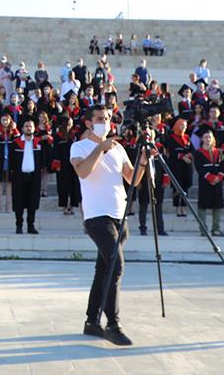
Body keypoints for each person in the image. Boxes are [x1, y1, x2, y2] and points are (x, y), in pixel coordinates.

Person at [71, 104, 152, 347]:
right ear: (88, 123)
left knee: (104, 269)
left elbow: (133, 179)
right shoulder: (80, 146)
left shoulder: (117, 148)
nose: (104, 122)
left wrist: (144, 160)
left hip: (120, 215)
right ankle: (113, 324)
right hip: (97, 216)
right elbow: (83, 172)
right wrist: (99, 149)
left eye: (107, 118)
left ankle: (91, 321)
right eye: (99, 118)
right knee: (115, 266)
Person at [9, 118, 49, 234]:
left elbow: (43, 159)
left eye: (30, 126)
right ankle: (19, 225)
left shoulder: (38, 143)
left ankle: (31, 225)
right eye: (26, 126)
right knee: (18, 201)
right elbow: (11, 160)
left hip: (34, 176)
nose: (28, 128)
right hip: (19, 176)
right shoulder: (15, 143)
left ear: (34, 128)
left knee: (32, 202)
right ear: (22, 128)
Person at [193, 127, 224, 236]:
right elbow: (199, 168)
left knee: (217, 205)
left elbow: (223, 167)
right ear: (202, 139)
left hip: (217, 183)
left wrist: (218, 178)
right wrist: (211, 178)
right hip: (205, 182)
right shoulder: (198, 153)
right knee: (202, 205)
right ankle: (203, 229)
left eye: (210, 137)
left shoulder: (219, 153)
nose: (208, 139)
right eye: (206, 137)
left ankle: (216, 228)